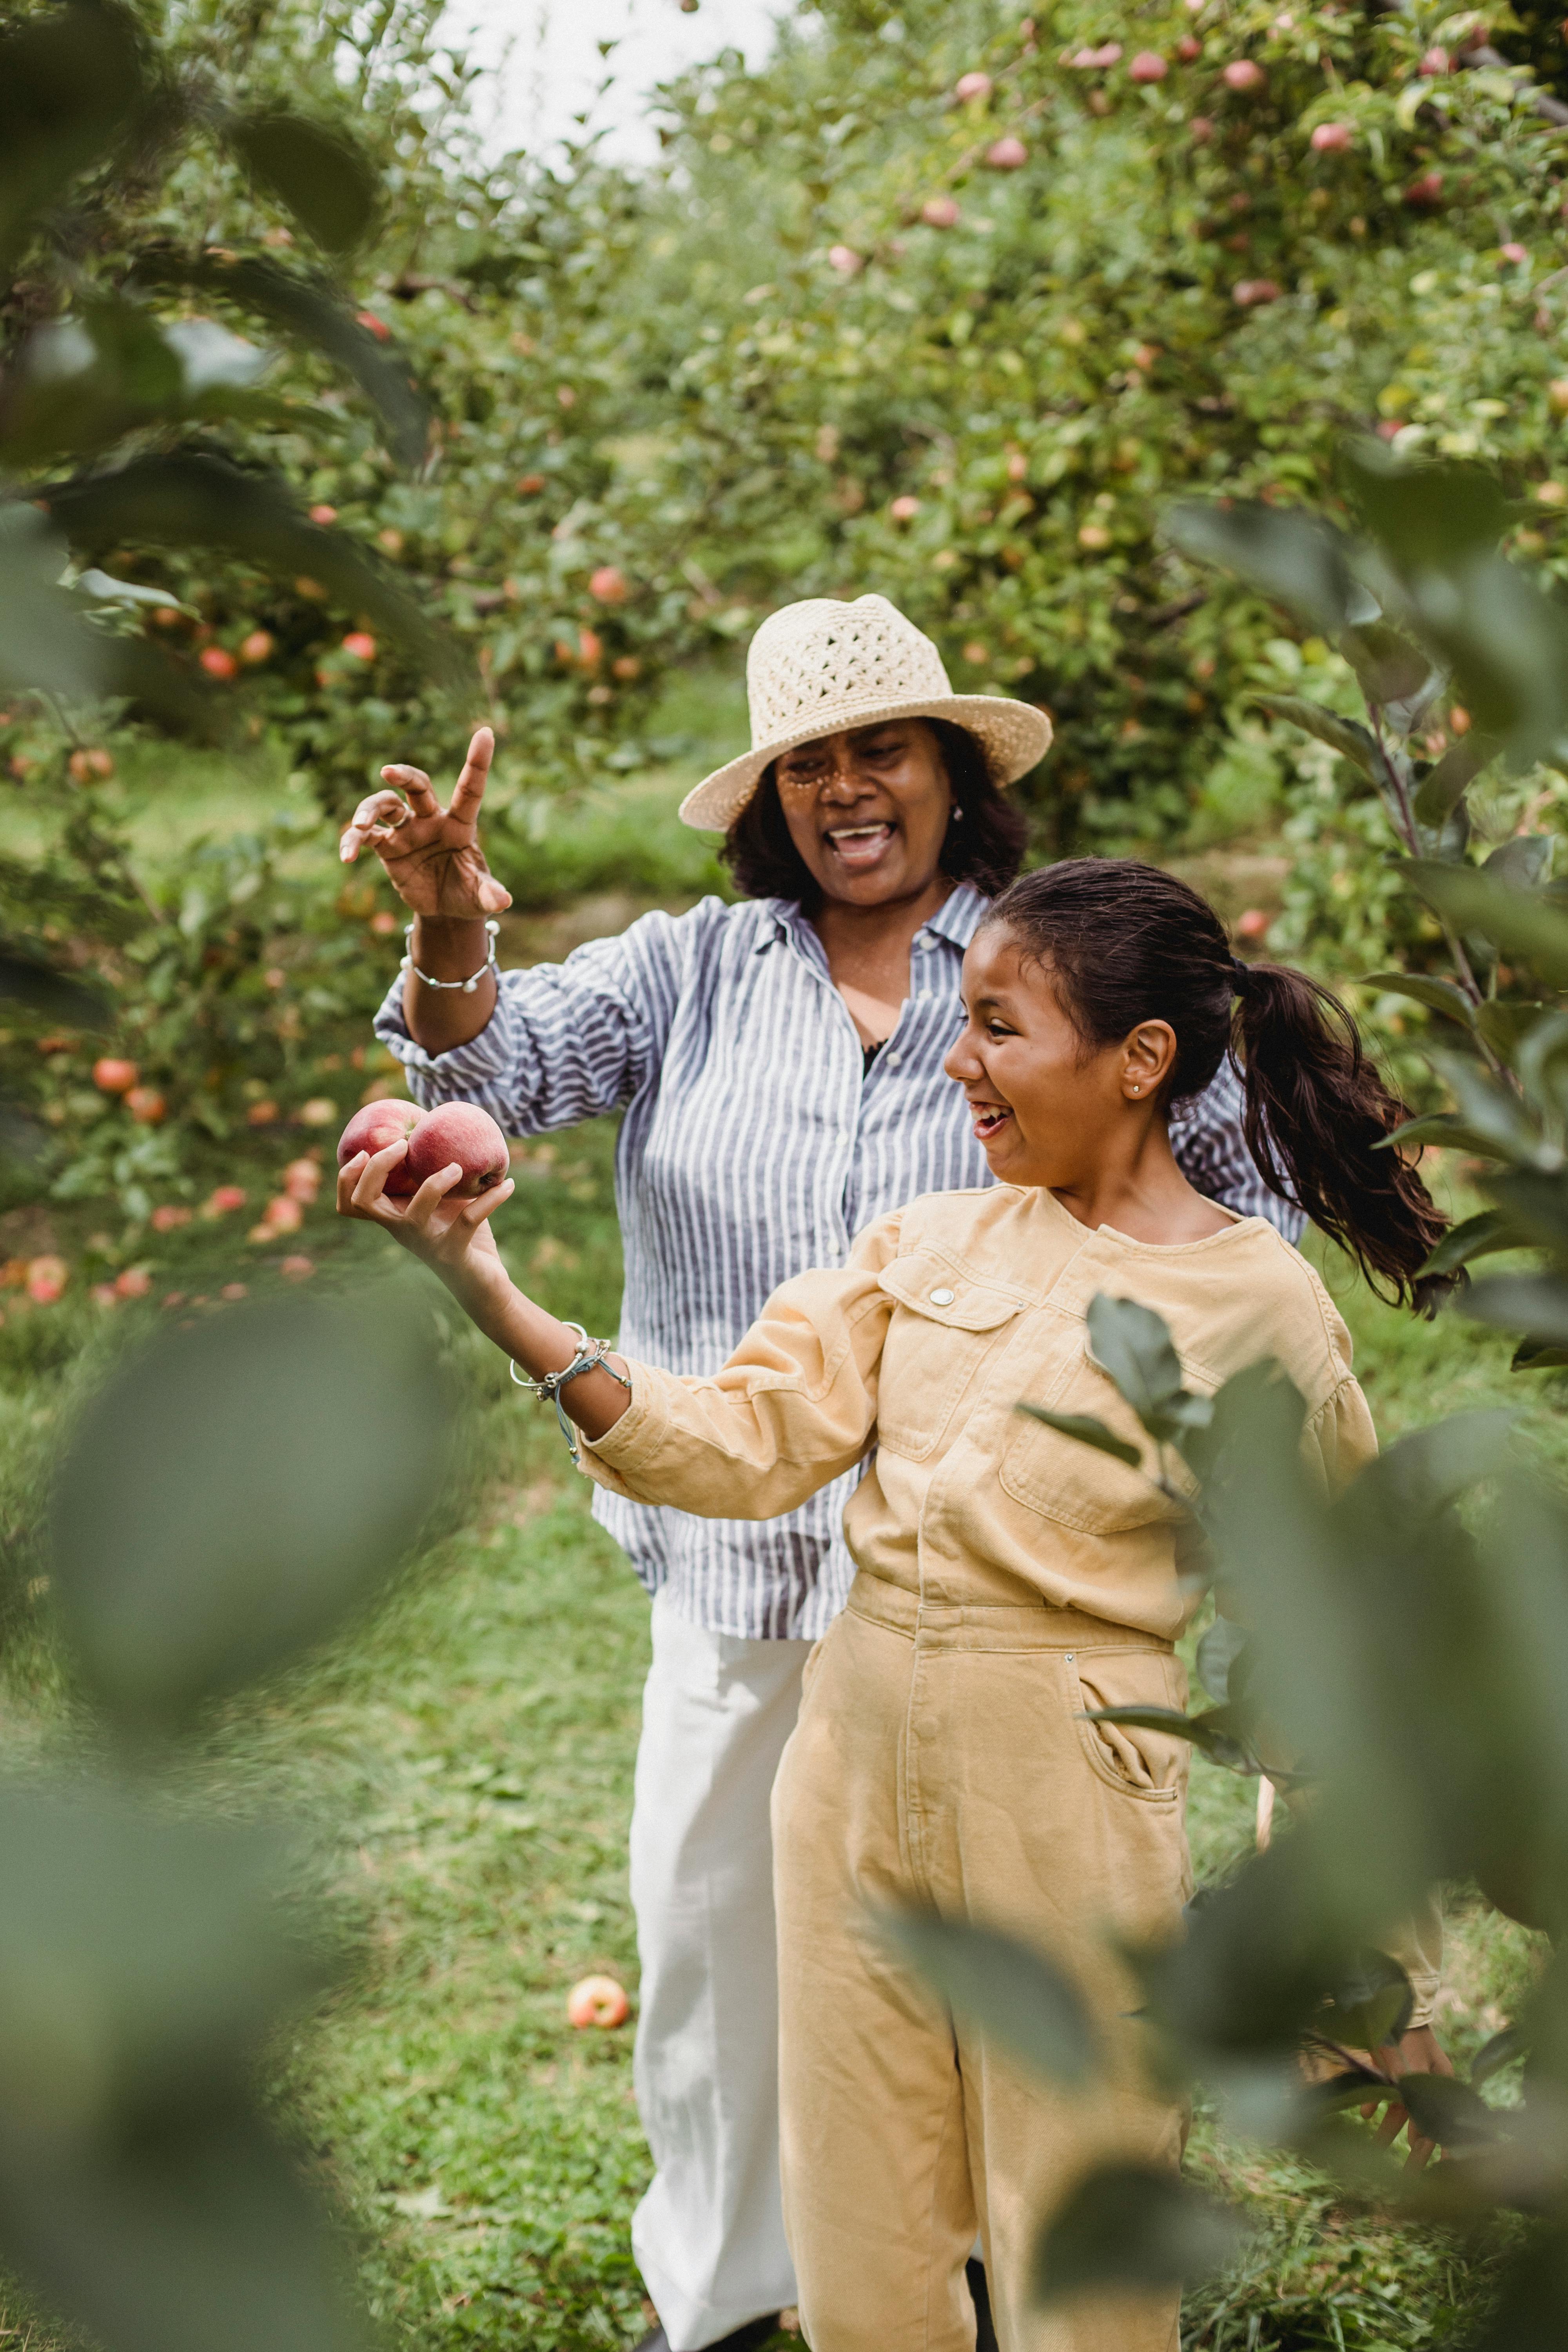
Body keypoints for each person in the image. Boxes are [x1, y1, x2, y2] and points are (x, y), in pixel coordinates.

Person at [339, 597, 1302, 2352]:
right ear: (769, 794)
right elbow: (483, 1063)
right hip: (735, 1559)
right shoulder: (691, 971)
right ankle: (722, 2307)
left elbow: (1225, 1207)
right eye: (810, 763)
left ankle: (1016, 2295)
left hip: (1000, 1585)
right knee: (718, 1977)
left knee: (1020, 1999)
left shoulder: (1039, 978)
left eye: (882, 751)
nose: (848, 790)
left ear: (950, 773)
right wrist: (450, 929)